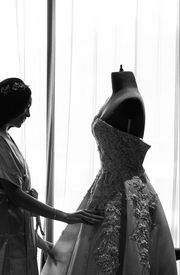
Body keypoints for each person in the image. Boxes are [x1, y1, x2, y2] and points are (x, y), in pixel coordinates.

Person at [41, 68, 177, 275]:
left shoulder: (131, 101)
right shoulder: (115, 97)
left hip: (127, 191)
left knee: (124, 250)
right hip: (103, 186)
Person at [0, 78, 103, 275]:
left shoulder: (4, 137)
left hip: (11, 226)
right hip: (3, 230)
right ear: (12, 107)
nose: (28, 114)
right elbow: (15, 196)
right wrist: (65, 216)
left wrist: (44, 245)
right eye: (26, 107)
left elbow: (16, 204)